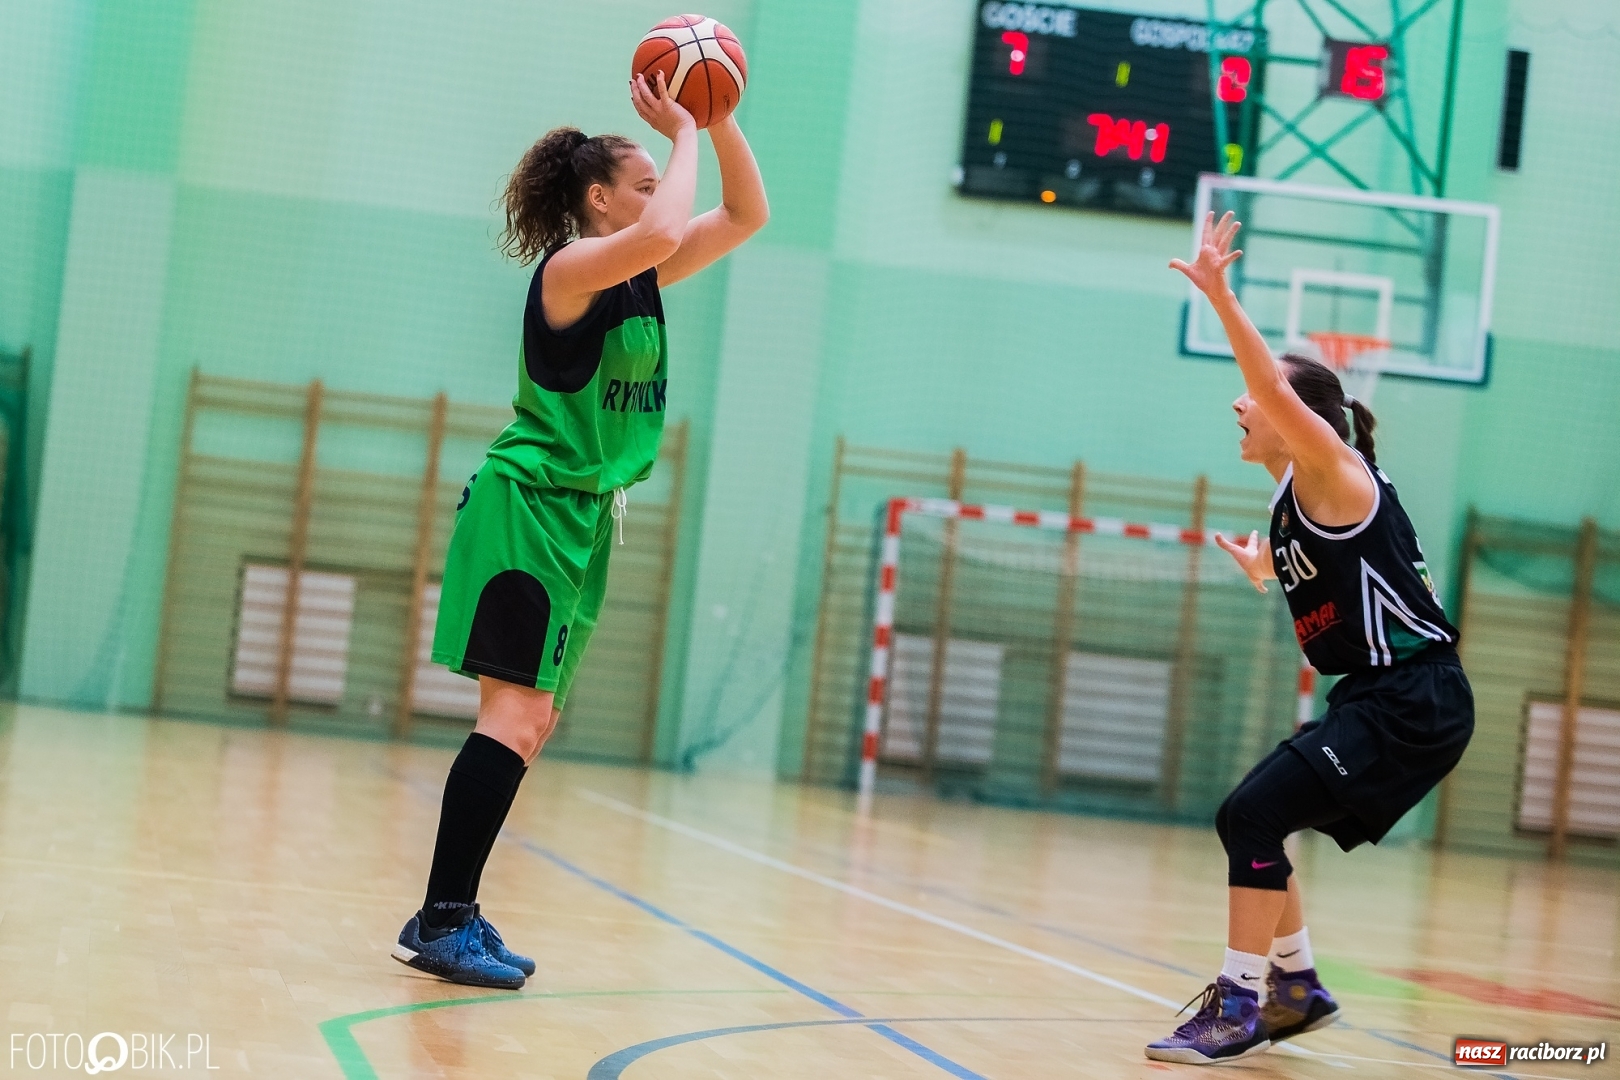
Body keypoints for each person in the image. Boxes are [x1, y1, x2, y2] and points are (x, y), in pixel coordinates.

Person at [392, 72, 768, 989]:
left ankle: (452, 911)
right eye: (644, 184)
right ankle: (442, 920)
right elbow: (670, 227)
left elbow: (746, 215)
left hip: (581, 516)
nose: (663, 195)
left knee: (534, 720)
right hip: (529, 508)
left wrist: (719, 125)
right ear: (597, 200)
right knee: (512, 715)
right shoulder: (570, 268)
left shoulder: (636, 269)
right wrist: (680, 127)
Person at [1146, 212, 1474, 1064]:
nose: (1239, 402)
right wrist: (1265, 567)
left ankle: (1241, 1004)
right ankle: (1295, 984)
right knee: (1258, 815)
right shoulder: (1296, 506)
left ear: (1299, 419)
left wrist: (1221, 297)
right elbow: (1335, 579)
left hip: (1414, 697)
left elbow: (1277, 393)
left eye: (1256, 396)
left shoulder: (1333, 471)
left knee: (1248, 814)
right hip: (1381, 698)